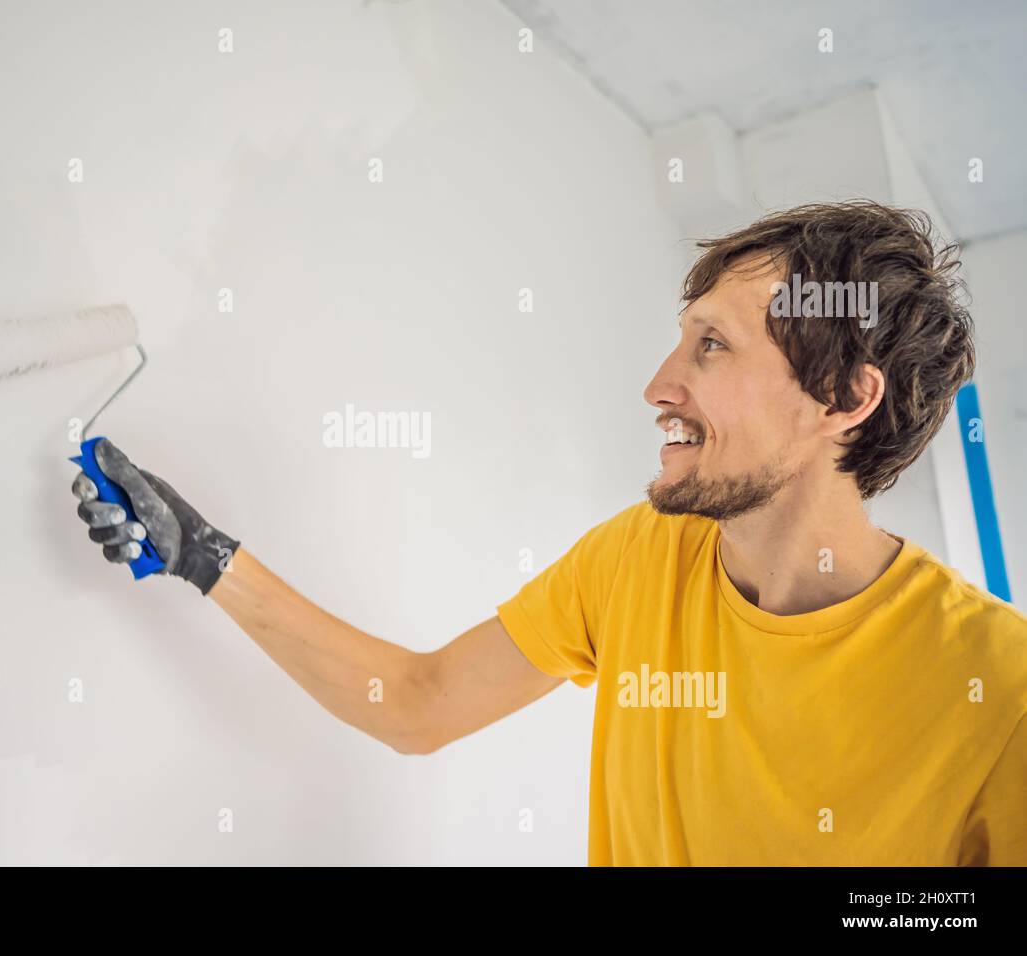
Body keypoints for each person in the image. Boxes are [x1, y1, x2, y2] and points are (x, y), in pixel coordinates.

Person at [71, 201, 1027, 866]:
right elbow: (416, 702)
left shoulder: (999, 685)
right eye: (681, 336)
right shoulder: (639, 558)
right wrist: (205, 559)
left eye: (713, 345)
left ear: (843, 399)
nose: (660, 383)